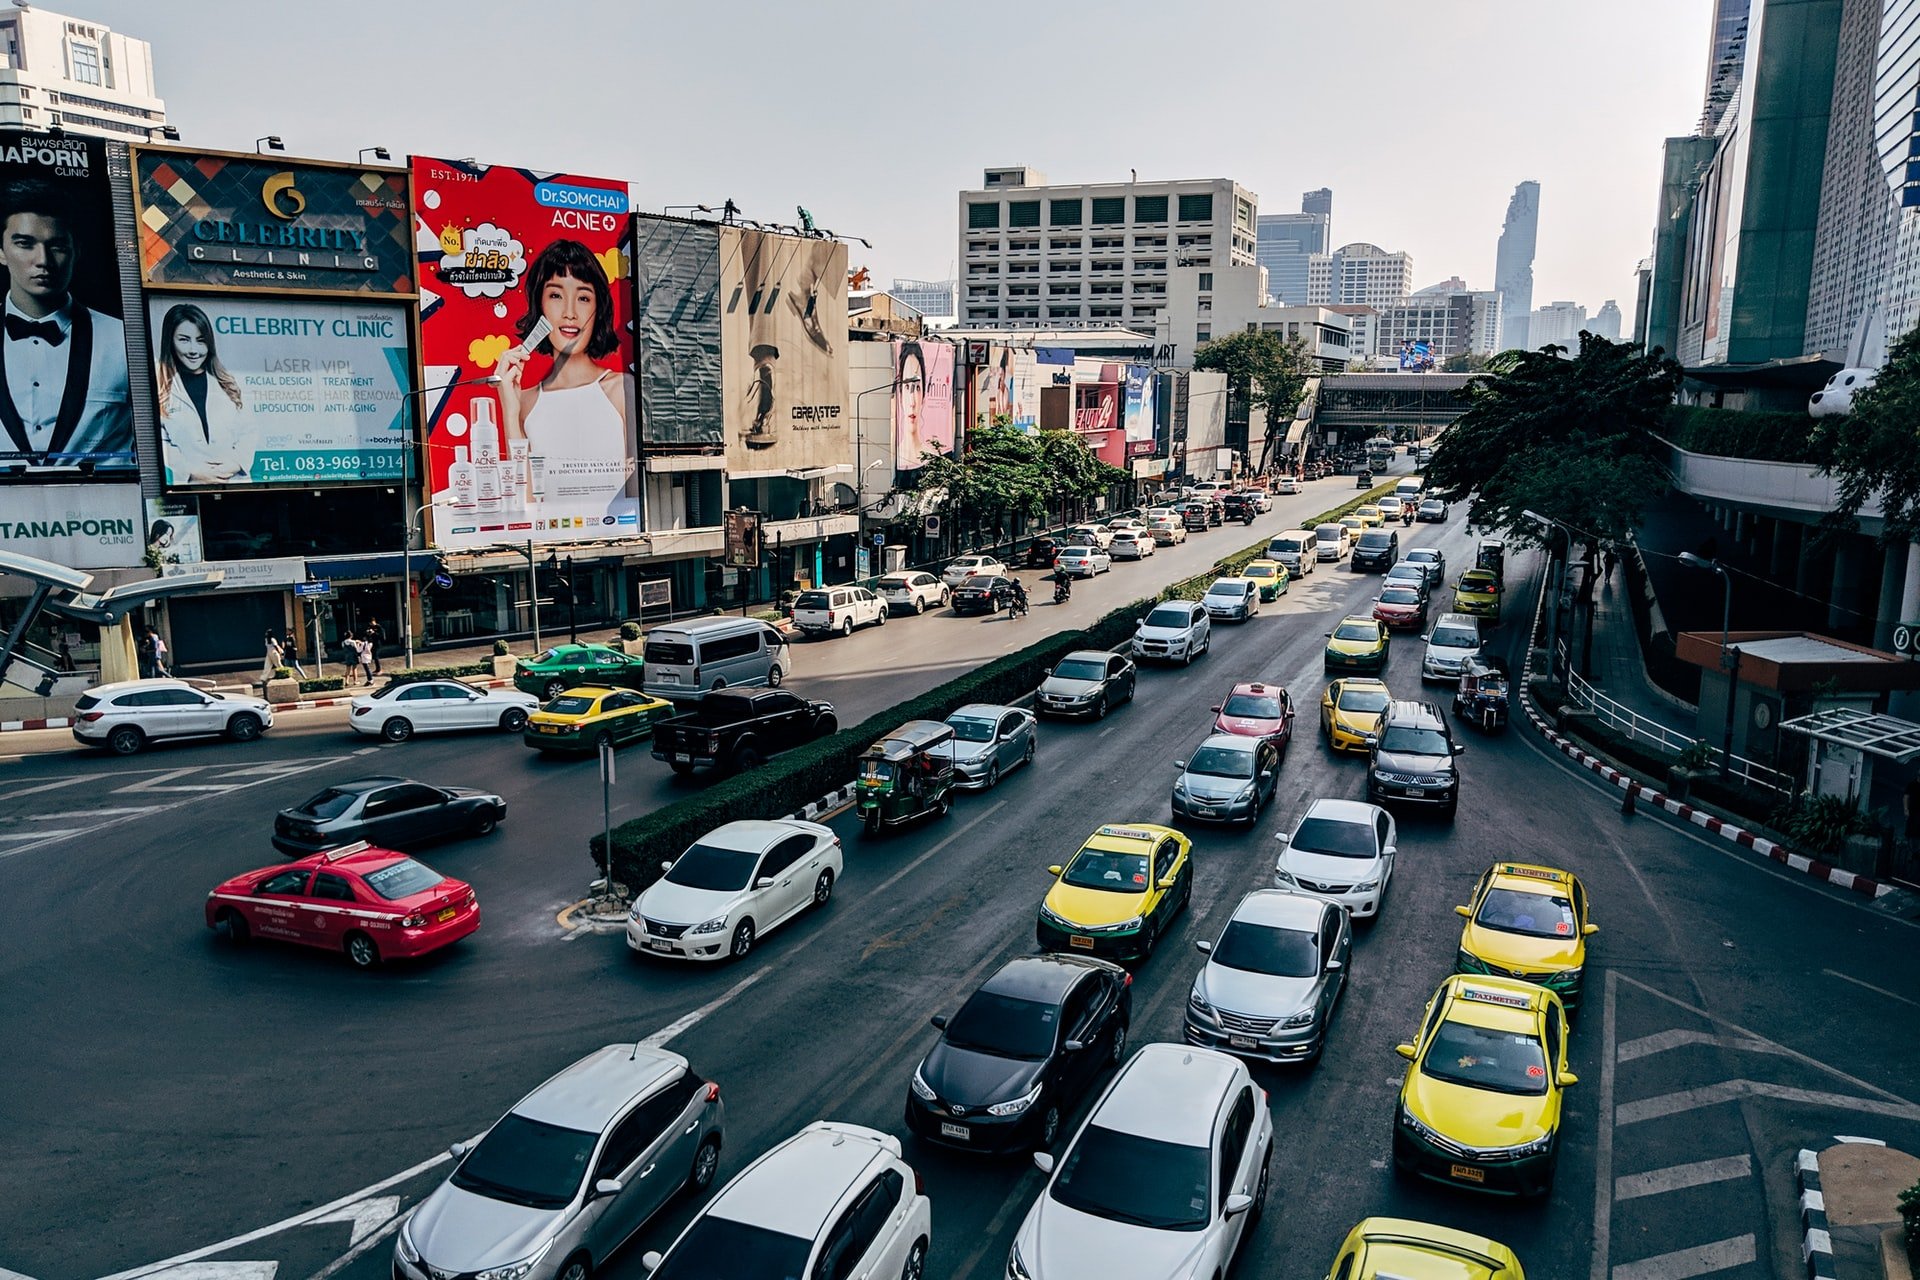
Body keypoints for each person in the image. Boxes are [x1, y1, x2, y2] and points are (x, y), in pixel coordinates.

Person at [0, 177, 134, 471]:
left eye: (57, 246)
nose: (43, 260)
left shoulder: (126, 340)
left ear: (76, 251)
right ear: (1, 251)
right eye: (25, 244)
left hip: (106, 500)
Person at [496, 238, 636, 509]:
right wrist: (510, 413)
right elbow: (523, 505)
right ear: (539, 304)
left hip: (618, 532)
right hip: (548, 535)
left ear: (598, 309)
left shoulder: (621, 389)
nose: (570, 313)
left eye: (583, 298)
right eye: (556, 295)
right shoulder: (524, 402)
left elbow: (636, 495)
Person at [155, 301, 250, 484]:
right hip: (189, 488)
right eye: (184, 340)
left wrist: (236, 463)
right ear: (170, 341)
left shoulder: (228, 383)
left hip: (235, 485)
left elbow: (248, 431)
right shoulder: (159, 388)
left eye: (201, 340)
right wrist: (191, 471)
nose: (193, 350)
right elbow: (159, 443)